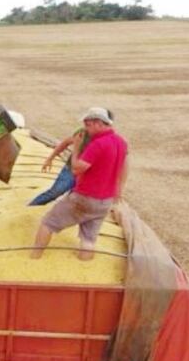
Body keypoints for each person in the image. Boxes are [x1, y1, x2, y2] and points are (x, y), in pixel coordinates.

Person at [31, 107, 128, 261]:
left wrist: (76, 148)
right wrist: (118, 191)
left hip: (85, 196)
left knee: (48, 223)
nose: (86, 128)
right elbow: (123, 168)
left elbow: (76, 169)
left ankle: (34, 257)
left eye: (88, 124)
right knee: (89, 238)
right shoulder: (121, 142)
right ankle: (84, 263)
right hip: (105, 201)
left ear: (98, 123)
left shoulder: (97, 144)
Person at [28, 110, 113, 206]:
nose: (86, 125)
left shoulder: (108, 140)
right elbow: (65, 143)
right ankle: (32, 206)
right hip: (72, 170)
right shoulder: (83, 133)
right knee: (55, 192)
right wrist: (50, 158)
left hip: (87, 174)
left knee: (75, 199)